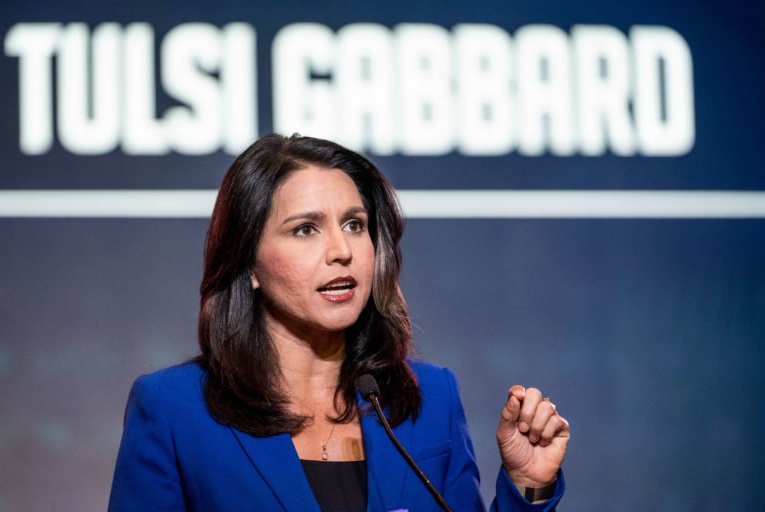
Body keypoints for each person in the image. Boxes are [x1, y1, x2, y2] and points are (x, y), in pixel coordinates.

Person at [108, 134, 570, 511]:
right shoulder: (174, 409)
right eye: (305, 229)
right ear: (248, 263)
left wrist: (528, 485)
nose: (342, 251)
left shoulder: (431, 400)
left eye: (354, 224)